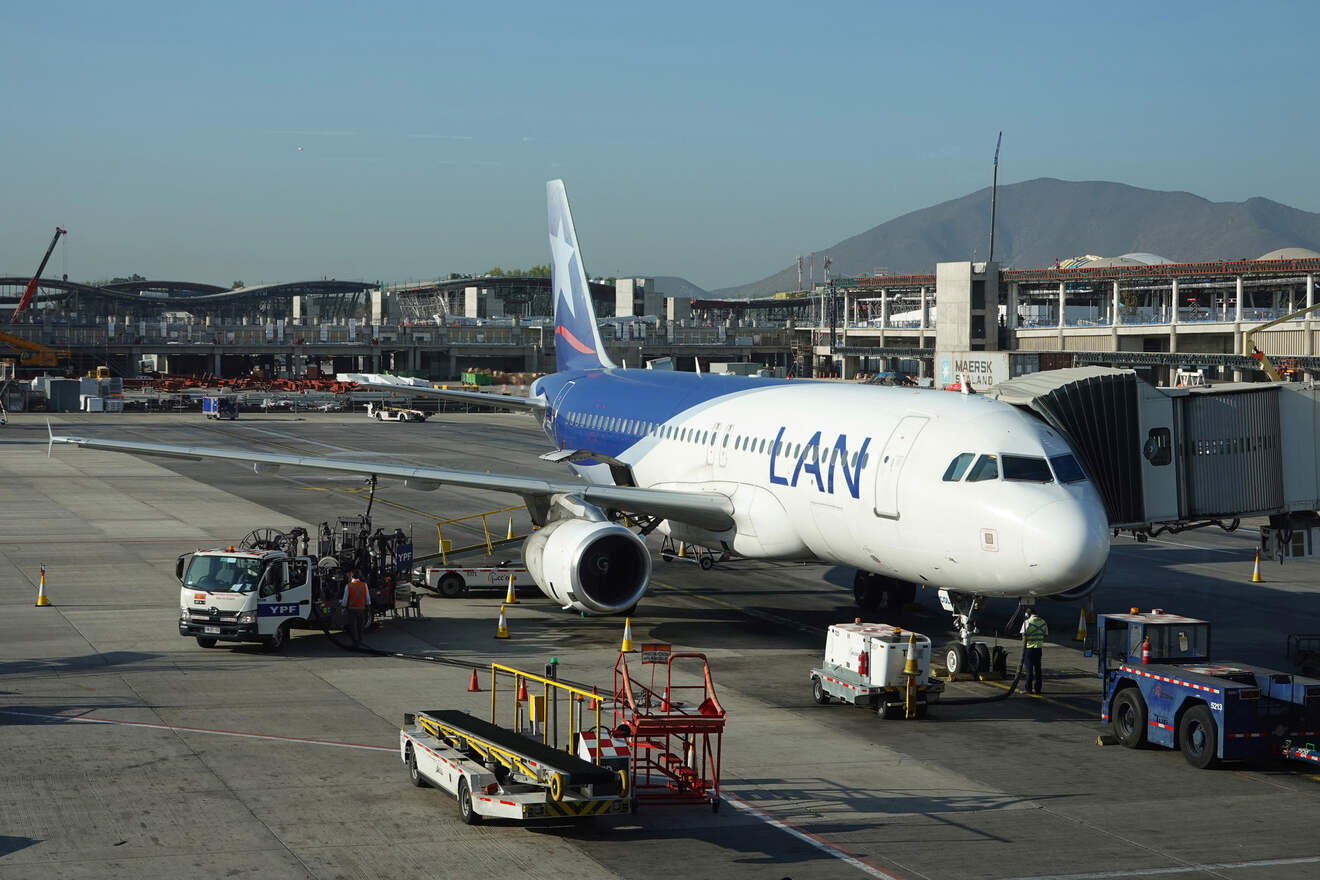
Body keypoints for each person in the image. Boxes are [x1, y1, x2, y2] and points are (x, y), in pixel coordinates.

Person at [1020, 606, 1048, 694]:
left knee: (1029, 670)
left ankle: (1028, 689)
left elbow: (1022, 634)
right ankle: (1038, 689)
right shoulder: (1043, 622)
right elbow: (1045, 633)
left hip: (1029, 649)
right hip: (1038, 649)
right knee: (1038, 669)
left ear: (1028, 614)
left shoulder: (1027, 622)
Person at [342, 569, 370, 646]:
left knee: (353, 627)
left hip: (352, 610)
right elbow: (367, 599)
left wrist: (343, 607)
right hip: (361, 609)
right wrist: (367, 606)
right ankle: (360, 640)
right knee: (360, 626)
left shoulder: (348, 586)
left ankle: (355, 642)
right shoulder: (364, 585)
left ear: (351, 576)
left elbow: (345, 599)